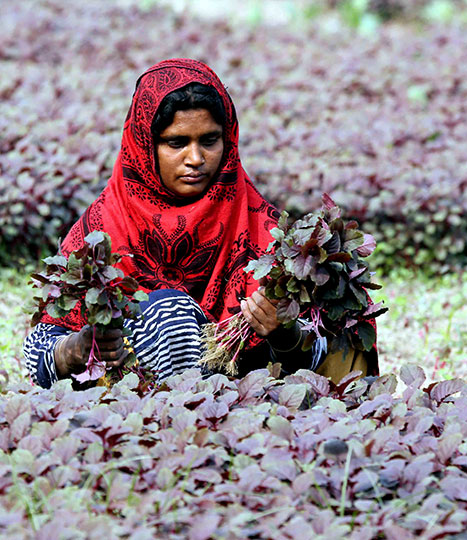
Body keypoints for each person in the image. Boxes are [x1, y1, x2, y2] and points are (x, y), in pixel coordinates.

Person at [23, 58, 377, 389]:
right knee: (167, 310)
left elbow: (319, 348)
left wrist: (286, 336)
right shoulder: (100, 230)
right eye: (176, 143)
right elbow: (37, 350)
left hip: (248, 400)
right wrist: (74, 349)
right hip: (129, 403)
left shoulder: (264, 228)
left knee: (348, 316)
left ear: (229, 140)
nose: (195, 159)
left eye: (209, 140)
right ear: (144, 145)